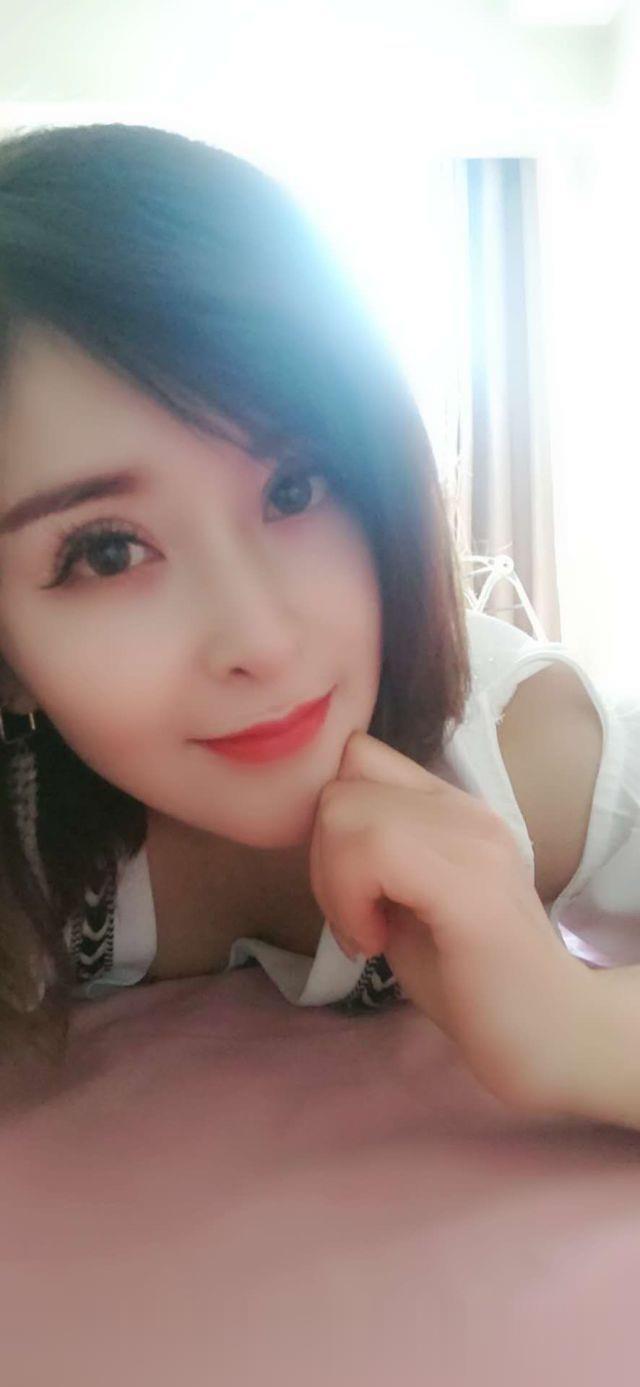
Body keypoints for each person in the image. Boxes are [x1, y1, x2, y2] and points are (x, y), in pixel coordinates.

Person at [0, 124, 638, 1127]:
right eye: (108, 552)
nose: (261, 640)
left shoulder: (527, 754)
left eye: (295, 488)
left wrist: (572, 1027)